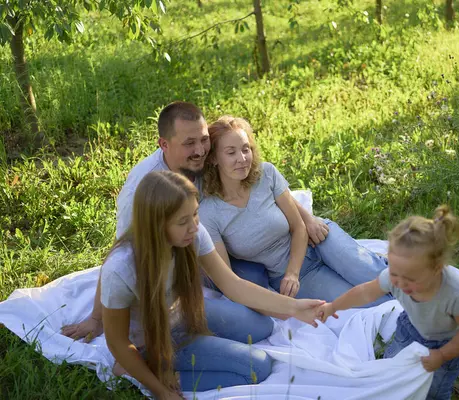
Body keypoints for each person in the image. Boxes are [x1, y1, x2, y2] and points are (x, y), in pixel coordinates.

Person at [62, 102, 329, 344]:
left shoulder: (203, 162)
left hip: (214, 248)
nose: (200, 150)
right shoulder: (142, 190)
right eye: (190, 143)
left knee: (254, 279)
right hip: (180, 277)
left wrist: (306, 218)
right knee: (256, 323)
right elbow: (120, 253)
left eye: (203, 140)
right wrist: (97, 319)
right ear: (164, 145)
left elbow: (263, 182)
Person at [101, 170, 324, 399]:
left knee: (263, 326)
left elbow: (233, 284)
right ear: (157, 224)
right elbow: (117, 341)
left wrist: (294, 308)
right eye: (182, 221)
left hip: (183, 315)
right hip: (152, 340)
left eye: (195, 214)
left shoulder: (192, 235)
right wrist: (160, 390)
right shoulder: (121, 269)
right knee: (257, 368)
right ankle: (143, 370)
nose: (194, 226)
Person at [199, 116, 392, 304]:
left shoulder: (265, 174)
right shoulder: (209, 212)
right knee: (368, 301)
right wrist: (291, 275)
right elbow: (227, 276)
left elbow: (299, 226)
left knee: (381, 278)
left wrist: (293, 272)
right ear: (214, 158)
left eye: (245, 149)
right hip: (294, 275)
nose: (242, 159)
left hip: (319, 239)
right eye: (231, 152)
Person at [318, 205, 459, 400]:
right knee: (392, 369)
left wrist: (443, 355)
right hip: (409, 329)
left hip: (445, 343)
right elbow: (364, 293)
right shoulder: (395, 277)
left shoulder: (456, 293)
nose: (400, 283)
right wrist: (333, 306)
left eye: (411, 278)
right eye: (394, 273)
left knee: (434, 390)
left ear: (437, 268)